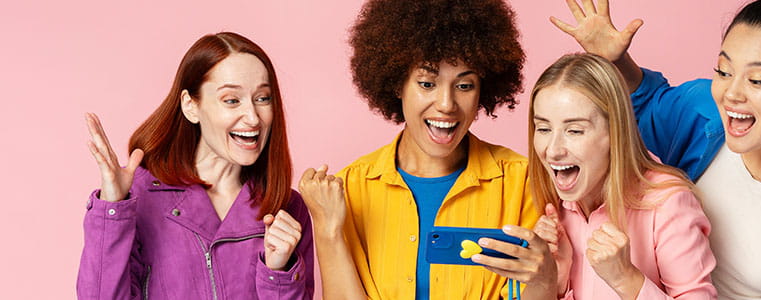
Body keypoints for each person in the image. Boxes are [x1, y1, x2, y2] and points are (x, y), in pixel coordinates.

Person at [551, 0, 761, 299]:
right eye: (724, 71)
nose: (731, 93)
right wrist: (616, 60)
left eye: (758, 80)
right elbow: (649, 106)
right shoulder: (704, 109)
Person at [297, 1, 544, 299]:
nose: (446, 104)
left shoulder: (523, 182)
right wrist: (328, 229)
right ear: (397, 84)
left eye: (464, 86)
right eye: (427, 83)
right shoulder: (349, 187)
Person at [77, 32, 313, 299]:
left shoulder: (287, 208)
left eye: (262, 98)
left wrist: (278, 273)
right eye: (232, 100)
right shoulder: (139, 198)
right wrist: (112, 208)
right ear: (191, 106)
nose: (253, 117)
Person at [523, 53, 716, 299]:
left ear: (615, 132)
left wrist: (626, 279)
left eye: (574, 130)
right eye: (543, 128)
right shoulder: (553, 208)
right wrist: (553, 278)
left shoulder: (668, 202)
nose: (553, 150)